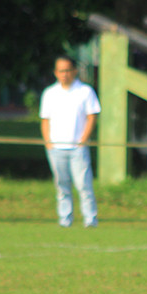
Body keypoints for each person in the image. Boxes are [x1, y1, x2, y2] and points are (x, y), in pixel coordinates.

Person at [39, 56, 100, 228]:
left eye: (67, 70)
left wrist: (83, 139)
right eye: (60, 71)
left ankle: (90, 219)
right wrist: (48, 142)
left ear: (74, 71)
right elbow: (45, 120)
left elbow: (92, 116)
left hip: (77, 148)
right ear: (55, 73)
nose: (64, 74)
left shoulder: (85, 91)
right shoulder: (50, 93)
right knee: (61, 185)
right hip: (56, 148)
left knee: (84, 185)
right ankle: (65, 219)